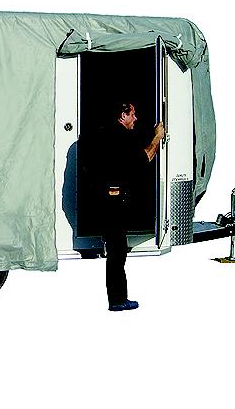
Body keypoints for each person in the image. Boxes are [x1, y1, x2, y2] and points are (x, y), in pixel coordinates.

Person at [96, 102, 164, 312]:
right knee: (117, 253)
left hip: (105, 201)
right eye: (132, 114)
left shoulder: (105, 133)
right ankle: (117, 300)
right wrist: (157, 137)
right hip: (112, 203)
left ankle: (118, 298)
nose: (135, 118)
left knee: (117, 251)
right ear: (122, 115)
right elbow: (145, 158)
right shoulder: (119, 136)